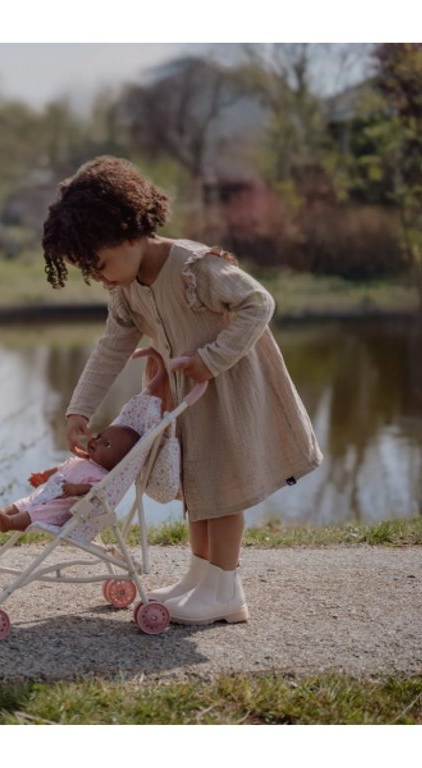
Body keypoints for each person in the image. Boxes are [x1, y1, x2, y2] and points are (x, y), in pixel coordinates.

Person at [42, 155, 323, 625]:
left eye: (102, 264)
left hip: (228, 390)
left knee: (223, 489)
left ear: (129, 233)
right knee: (198, 487)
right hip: (186, 397)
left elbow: (258, 302)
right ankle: (200, 577)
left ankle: (226, 590)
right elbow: (111, 348)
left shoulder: (196, 267)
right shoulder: (126, 287)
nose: (102, 277)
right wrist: (79, 410)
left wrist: (211, 358)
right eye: (92, 272)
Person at [0, 424, 140, 532]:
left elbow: (95, 489)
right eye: (99, 436)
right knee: (25, 502)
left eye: (106, 444)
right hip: (48, 494)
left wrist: (76, 489)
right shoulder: (82, 460)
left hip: (62, 507)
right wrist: (44, 475)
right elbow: (61, 468)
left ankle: (10, 523)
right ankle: (1, 514)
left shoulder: (102, 476)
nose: (96, 441)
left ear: (119, 461)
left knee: (39, 513)